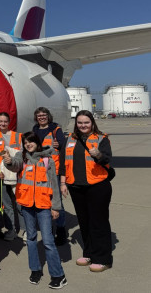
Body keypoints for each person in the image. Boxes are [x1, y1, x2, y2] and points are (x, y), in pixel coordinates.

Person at [4, 132, 67, 289]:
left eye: (30, 141)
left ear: (37, 142)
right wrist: (9, 162)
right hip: (27, 205)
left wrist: (56, 207)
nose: (28, 144)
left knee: (48, 241)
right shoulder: (22, 157)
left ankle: (58, 275)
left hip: (44, 206)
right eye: (25, 142)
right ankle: (35, 270)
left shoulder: (47, 160)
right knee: (31, 239)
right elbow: (15, 165)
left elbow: (54, 185)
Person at [59, 110, 113, 272]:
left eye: (86, 122)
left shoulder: (101, 138)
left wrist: (99, 154)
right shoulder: (70, 139)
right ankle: (89, 253)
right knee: (84, 221)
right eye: (80, 122)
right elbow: (63, 162)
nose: (83, 125)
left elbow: (107, 159)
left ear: (92, 123)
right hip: (76, 187)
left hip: (97, 186)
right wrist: (63, 183)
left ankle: (103, 258)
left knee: (98, 222)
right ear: (76, 124)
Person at [32, 107, 67, 246]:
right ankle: (49, 229)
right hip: (39, 171)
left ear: (48, 116)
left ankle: (61, 229)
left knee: (57, 201)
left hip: (54, 171)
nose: (41, 117)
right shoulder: (35, 130)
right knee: (44, 200)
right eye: (39, 115)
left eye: (44, 115)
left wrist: (59, 144)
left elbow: (64, 146)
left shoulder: (55, 129)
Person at [0, 112, 25, 241]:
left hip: (17, 175)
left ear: (9, 122)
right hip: (2, 175)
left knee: (20, 204)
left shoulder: (18, 136)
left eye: (5, 121)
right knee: (7, 205)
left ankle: (25, 229)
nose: (3, 124)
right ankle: (11, 230)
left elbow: (23, 156)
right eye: (0, 121)